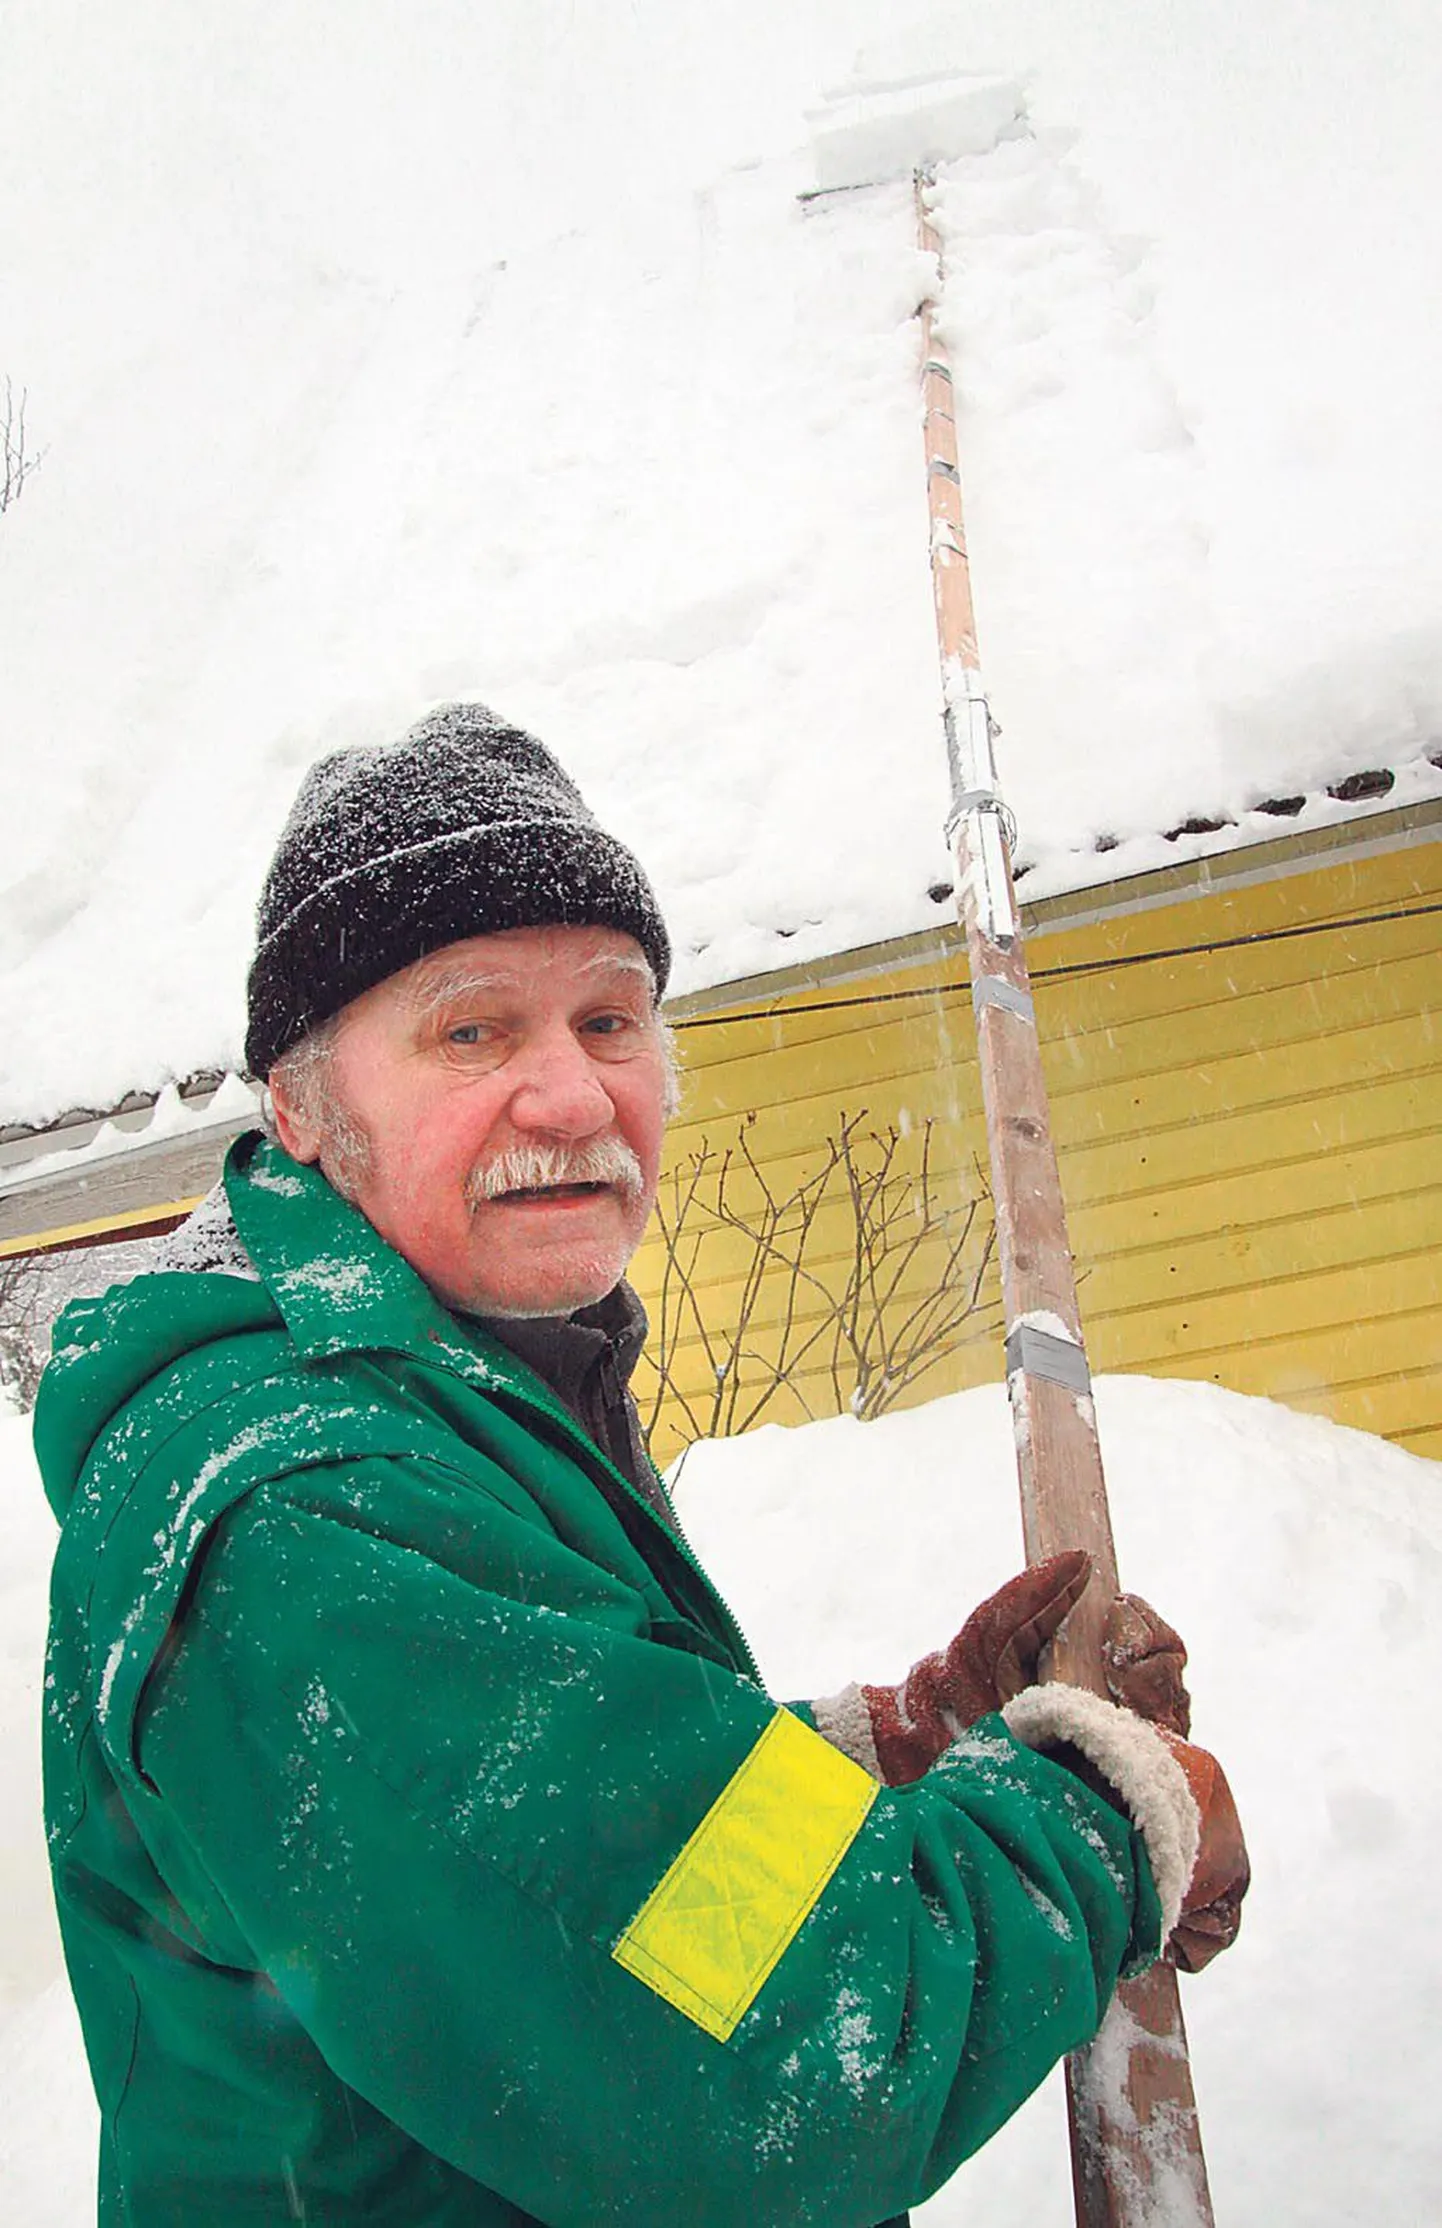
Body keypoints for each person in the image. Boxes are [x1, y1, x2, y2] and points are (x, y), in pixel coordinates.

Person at [38, 703, 1247, 2227]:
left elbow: (638, 1912)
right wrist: (1122, 1814)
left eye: (610, 1021)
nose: (569, 1095)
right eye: (471, 1030)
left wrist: (897, 1744)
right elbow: (772, 2067)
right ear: (299, 1105)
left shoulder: (445, 1377)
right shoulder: (307, 1503)